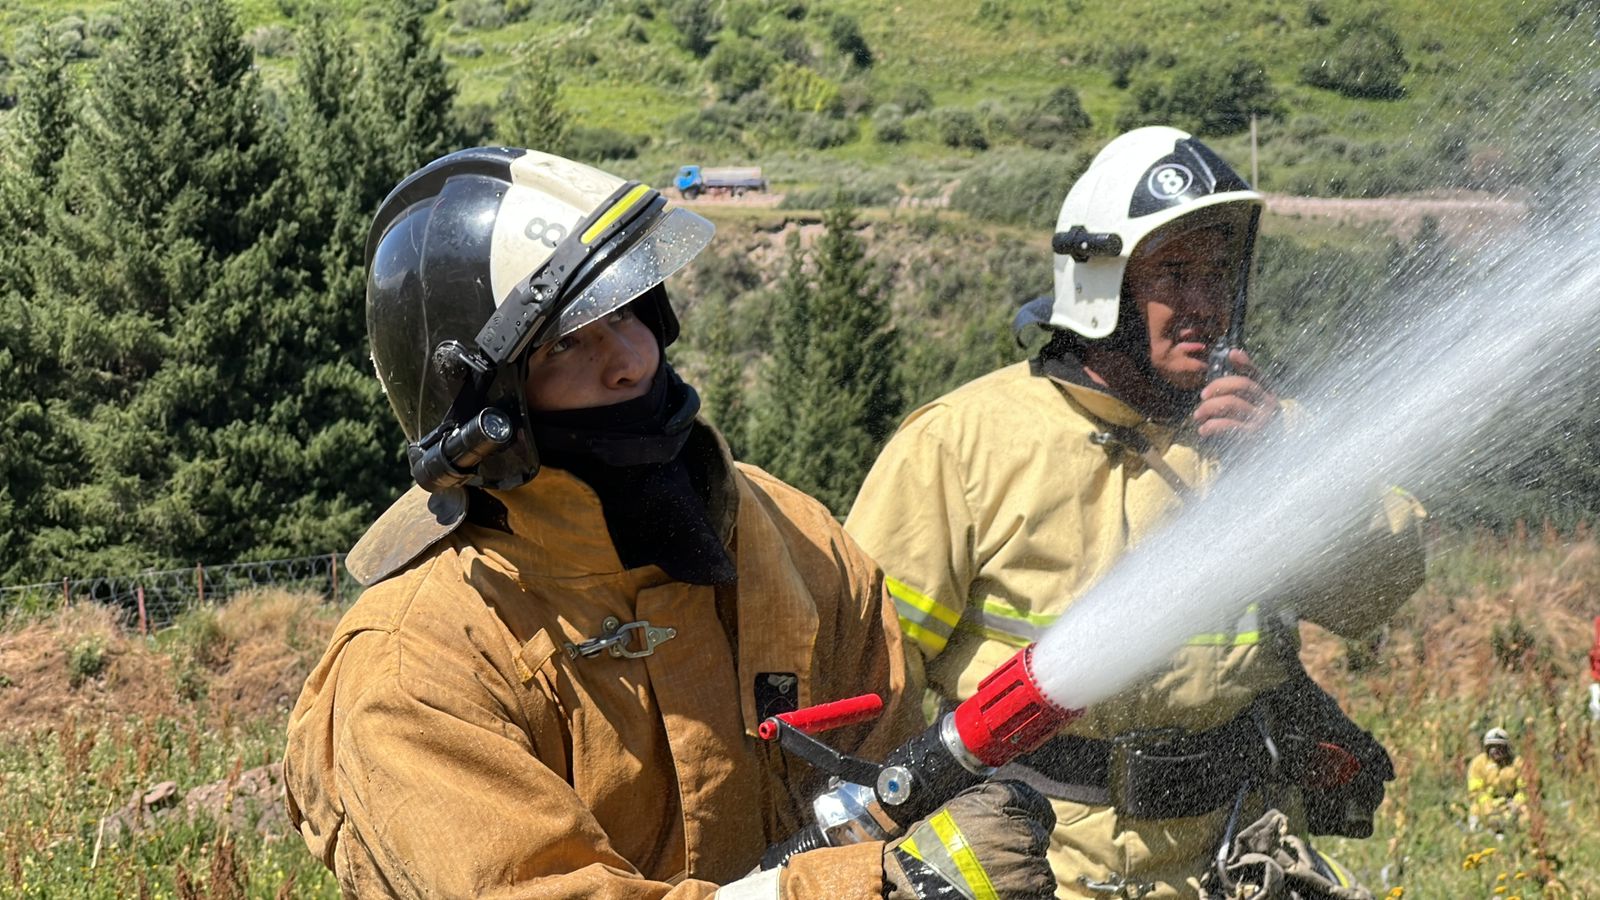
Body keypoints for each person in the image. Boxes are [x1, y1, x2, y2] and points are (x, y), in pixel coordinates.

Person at [282, 148, 1057, 899]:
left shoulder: (795, 541)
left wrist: (932, 853)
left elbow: (886, 788)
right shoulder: (414, 667)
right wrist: (858, 891)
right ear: (486, 419)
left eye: (628, 312)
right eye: (566, 345)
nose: (631, 361)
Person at [845, 126, 1426, 899]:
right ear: (1101, 284)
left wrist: (1288, 473)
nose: (1203, 304)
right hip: (1031, 871)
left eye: (1218, 274)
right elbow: (861, 673)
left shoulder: (1266, 435)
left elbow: (1377, 594)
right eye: (1174, 273)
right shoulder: (963, 444)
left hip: (1239, 860)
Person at [1467, 728, 1527, 835]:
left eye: (1499, 747)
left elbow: (1525, 789)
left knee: (1526, 816)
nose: (1495, 751)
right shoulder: (1478, 763)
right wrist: (1489, 806)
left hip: (1510, 805)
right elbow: (1475, 791)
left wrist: (1517, 803)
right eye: (1491, 747)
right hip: (1487, 805)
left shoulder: (1517, 763)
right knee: (1477, 811)